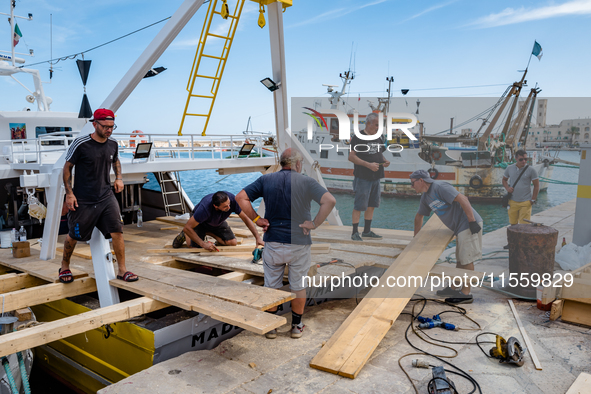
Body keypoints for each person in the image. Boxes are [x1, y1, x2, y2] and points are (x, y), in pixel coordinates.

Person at [236, 148, 336, 339]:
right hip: (299, 243)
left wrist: (258, 219)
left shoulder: (266, 180)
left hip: (273, 242)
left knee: (271, 285)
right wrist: (313, 224)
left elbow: (240, 198)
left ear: (282, 162)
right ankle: (296, 327)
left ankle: (271, 327)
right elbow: (329, 201)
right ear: (298, 164)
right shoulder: (306, 181)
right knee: (297, 285)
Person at [60, 108, 138, 283]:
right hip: (84, 199)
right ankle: (65, 266)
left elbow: (116, 160)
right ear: (95, 124)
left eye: (112, 126)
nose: (109, 130)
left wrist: (118, 178)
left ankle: (122, 270)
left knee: (117, 231)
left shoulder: (113, 143)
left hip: (106, 196)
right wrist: (69, 194)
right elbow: (67, 168)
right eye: (105, 126)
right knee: (74, 235)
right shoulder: (81, 143)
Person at [410, 169, 482, 304]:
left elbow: (463, 199)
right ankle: (454, 288)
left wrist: (472, 221)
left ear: (421, 180)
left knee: (466, 259)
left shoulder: (439, 187)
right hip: (459, 227)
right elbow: (419, 217)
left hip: (468, 224)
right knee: (460, 259)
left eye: (412, 183)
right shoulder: (425, 197)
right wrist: (416, 239)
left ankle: (466, 293)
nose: (411, 186)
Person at [172, 191, 263, 251]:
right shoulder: (204, 209)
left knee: (232, 243)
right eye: (225, 206)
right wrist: (204, 244)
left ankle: (207, 232)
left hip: (217, 221)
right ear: (216, 206)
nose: (229, 207)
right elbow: (187, 227)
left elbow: (246, 219)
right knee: (195, 248)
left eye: (229, 204)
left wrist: (257, 237)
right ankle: (185, 235)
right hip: (200, 223)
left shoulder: (231, 200)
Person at [348, 112, 390, 241]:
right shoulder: (358, 137)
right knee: (359, 205)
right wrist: (368, 165)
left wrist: (384, 161)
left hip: (376, 176)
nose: (378, 128)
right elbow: (351, 157)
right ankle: (355, 232)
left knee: (372, 204)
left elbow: (378, 153)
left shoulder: (378, 137)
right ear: (369, 123)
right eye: (376, 125)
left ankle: (366, 231)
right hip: (363, 177)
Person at [502, 150, 539, 248]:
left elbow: (536, 185)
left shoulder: (531, 170)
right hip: (512, 201)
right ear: (516, 159)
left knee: (524, 225)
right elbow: (504, 180)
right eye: (521, 159)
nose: (524, 161)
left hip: (526, 202)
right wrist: (507, 188)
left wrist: (533, 199)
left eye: (526, 159)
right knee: (513, 224)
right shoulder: (509, 168)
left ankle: (523, 244)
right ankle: (512, 243)